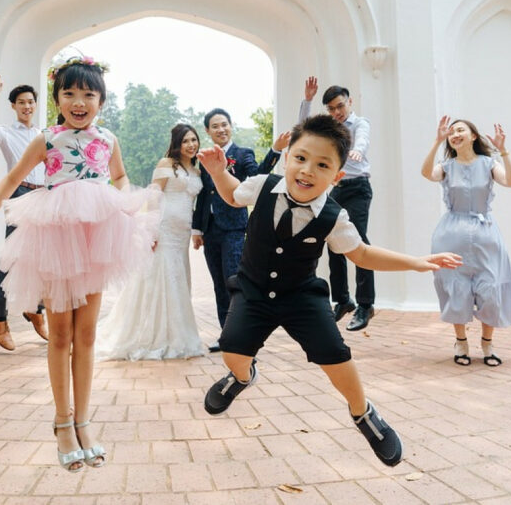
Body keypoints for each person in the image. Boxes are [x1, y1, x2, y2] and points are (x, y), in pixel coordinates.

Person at [195, 115, 462, 466]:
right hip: (254, 290)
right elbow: (232, 195)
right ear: (287, 156)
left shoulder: (334, 216)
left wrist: (414, 262)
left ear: (336, 177)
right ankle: (242, 378)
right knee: (232, 352)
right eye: (301, 158)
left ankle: (363, 412)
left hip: (301, 297)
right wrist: (217, 172)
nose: (307, 170)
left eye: (322, 165)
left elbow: (362, 253)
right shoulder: (262, 185)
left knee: (336, 356)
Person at [0, 57, 155, 471]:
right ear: (57, 98)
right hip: (54, 238)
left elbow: (119, 177)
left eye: (88, 94)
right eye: (69, 93)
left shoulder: (108, 138)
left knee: (86, 336)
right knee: (61, 334)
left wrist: (127, 208)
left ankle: (85, 420)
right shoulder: (47, 139)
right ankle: (62, 421)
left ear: (101, 100)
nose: (79, 101)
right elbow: (12, 181)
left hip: (96, 239)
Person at [96, 123, 206, 360]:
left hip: (182, 233)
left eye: (194, 140)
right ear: (177, 143)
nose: (191, 145)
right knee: (159, 276)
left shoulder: (197, 171)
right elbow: (155, 195)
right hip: (164, 228)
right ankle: (150, 335)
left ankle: (175, 333)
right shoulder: (166, 164)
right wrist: (152, 231)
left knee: (177, 278)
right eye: (186, 141)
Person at [421, 116, 511, 366]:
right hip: (451, 234)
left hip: (485, 234)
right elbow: (426, 173)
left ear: (473, 136)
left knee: (490, 287)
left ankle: (487, 345)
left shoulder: (489, 163)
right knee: (457, 286)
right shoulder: (447, 165)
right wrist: (436, 142)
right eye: (452, 132)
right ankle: (461, 342)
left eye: (460, 130)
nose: (455, 134)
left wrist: (504, 150)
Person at [0, 71, 47, 350]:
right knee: (12, 257)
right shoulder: (6, 133)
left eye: (30, 102)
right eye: (21, 102)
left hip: (44, 196)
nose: (27, 106)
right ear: (14, 106)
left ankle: (35, 310)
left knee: (45, 258)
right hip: (19, 193)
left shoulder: (43, 134)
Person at [300, 76, 376, 331]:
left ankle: (366, 305)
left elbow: (363, 138)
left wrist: (358, 150)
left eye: (340, 106)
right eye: (331, 109)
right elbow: (304, 130)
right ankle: (343, 300)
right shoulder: (331, 129)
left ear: (349, 102)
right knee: (333, 241)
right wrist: (308, 100)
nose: (337, 113)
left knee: (358, 241)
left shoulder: (359, 123)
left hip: (357, 188)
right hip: (335, 188)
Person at [191, 108, 259, 351]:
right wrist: (197, 229)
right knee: (219, 284)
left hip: (234, 228)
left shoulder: (242, 154)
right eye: (215, 126)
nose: (221, 129)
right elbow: (203, 197)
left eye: (224, 124)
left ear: (231, 126)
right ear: (208, 131)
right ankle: (226, 336)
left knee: (234, 280)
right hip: (211, 231)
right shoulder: (206, 158)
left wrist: (274, 152)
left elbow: (256, 177)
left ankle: (243, 335)